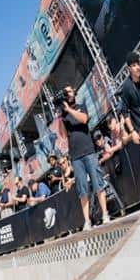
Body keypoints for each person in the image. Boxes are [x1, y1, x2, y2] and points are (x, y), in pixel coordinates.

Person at [57, 85, 109, 230]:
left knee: (98, 183)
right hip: (75, 156)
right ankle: (87, 221)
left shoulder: (81, 106)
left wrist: (69, 110)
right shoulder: (64, 115)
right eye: (65, 92)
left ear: (74, 93)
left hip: (88, 151)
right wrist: (61, 116)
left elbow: (84, 119)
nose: (68, 93)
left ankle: (105, 213)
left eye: (69, 90)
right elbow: (62, 135)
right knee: (82, 190)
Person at [119, 51, 140, 142]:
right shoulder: (127, 87)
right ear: (128, 68)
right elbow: (124, 111)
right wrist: (132, 131)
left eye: (138, 64)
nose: (138, 67)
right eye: (134, 65)